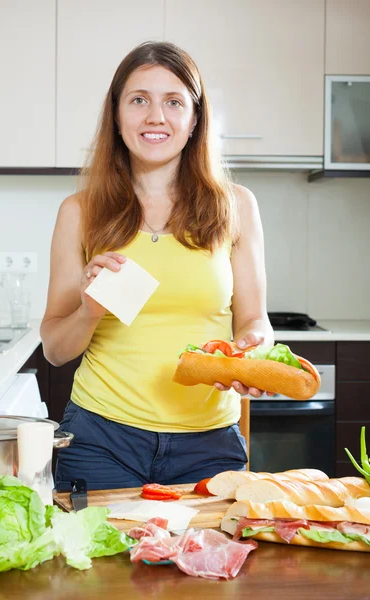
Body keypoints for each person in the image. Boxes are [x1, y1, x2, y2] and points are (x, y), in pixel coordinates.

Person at [40, 41, 274, 491]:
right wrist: (89, 310)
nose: (155, 117)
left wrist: (252, 352)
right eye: (139, 100)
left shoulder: (237, 207)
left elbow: (253, 319)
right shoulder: (80, 212)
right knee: (100, 561)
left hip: (209, 442)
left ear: (194, 119)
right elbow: (54, 349)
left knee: (207, 561)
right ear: (116, 114)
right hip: (100, 438)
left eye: (173, 102)